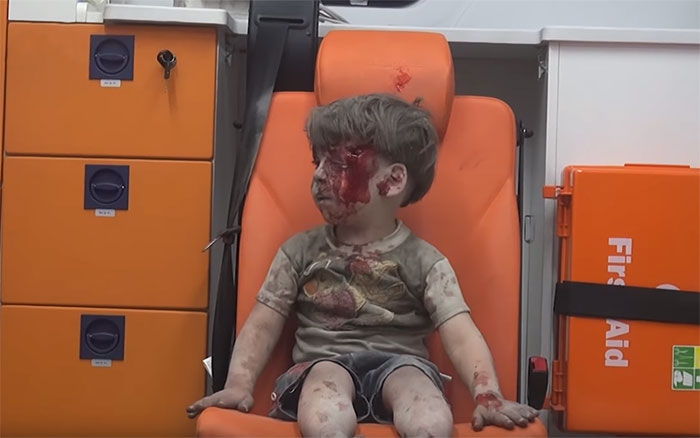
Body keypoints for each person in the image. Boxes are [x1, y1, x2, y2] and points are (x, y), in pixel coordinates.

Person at [187, 94, 538, 437]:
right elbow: (262, 325)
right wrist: (238, 385)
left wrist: (487, 395)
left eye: (338, 165)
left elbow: (461, 335)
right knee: (324, 402)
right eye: (317, 162)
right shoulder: (299, 252)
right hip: (323, 362)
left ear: (392, 180)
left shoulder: (424, 261)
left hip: (402, 364)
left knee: (428, 411)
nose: (318, 175)